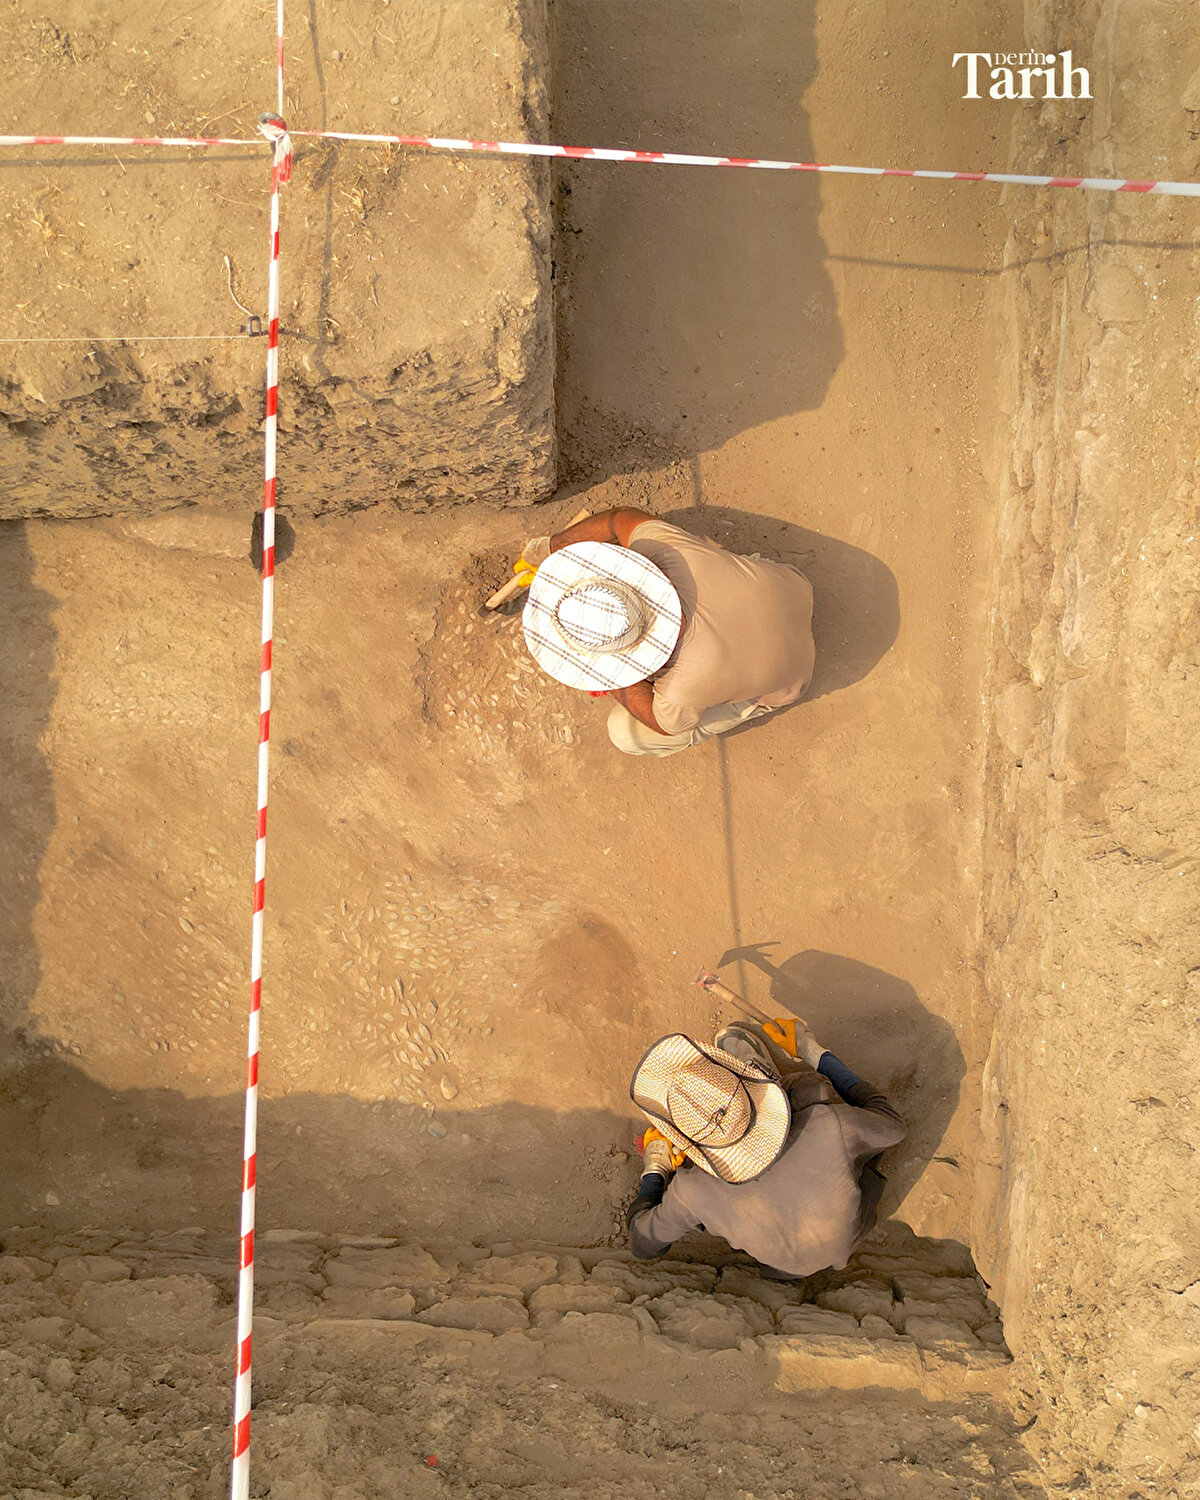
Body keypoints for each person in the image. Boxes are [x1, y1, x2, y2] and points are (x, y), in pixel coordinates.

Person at [625, 1009, 905, 1277]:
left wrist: (657, 1163)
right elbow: (893, 1125)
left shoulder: (691, 1191)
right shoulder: (830, 1126)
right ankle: (760, 1076)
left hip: (783, 1269)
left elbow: (641, 1244)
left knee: (708, 1209)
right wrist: (813, 1052)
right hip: (848, 1239)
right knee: (812, 1088)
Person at [515, 508, 815, 757]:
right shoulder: (662, 547)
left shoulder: (679, 693)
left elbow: (665, 725)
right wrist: (553, 546)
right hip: (795, 587)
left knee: (625, 733)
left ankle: (755, 702)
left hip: (794, 675)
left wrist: (608, 677)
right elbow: (618, 519)